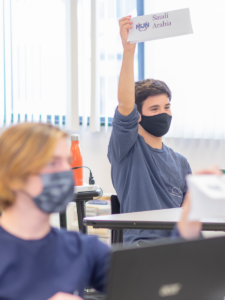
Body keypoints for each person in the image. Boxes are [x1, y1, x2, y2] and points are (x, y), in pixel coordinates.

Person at [0, 123, 110, 300]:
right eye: (52, 163)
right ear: (14, 177)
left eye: (68, 162)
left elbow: (151, 287)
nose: (67, 171)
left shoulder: (82, 249)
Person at [108, 16, 192, 244]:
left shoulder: (181, 162)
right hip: (141, 246)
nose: (163, 113)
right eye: (154, 108)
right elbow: (125, 105)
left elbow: (189, 214)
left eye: (167, 107)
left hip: (177, 249)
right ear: (138, 116)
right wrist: (128, 52)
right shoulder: (127, 149)